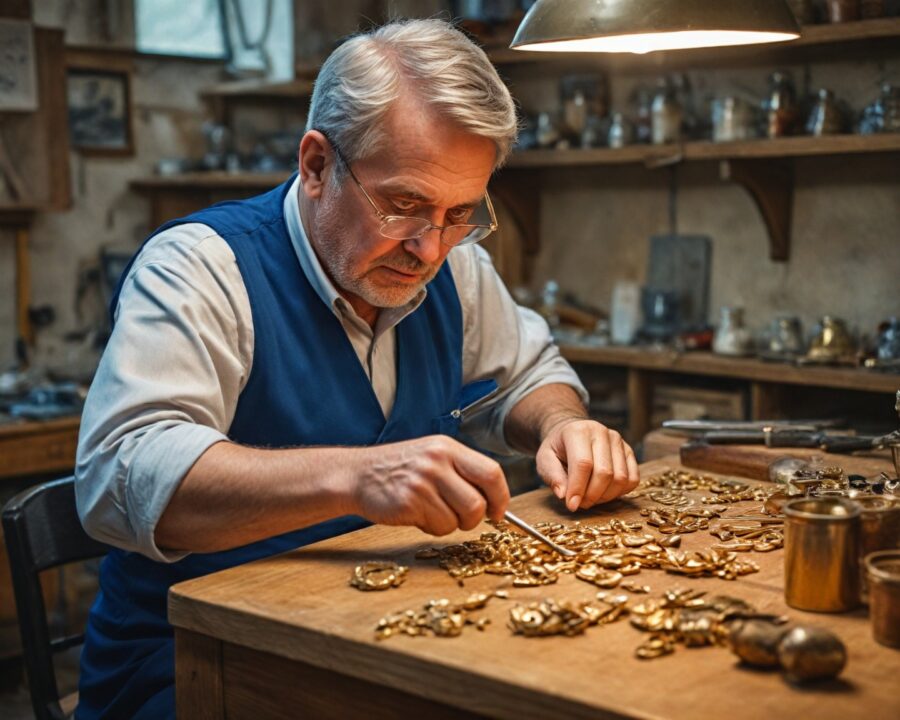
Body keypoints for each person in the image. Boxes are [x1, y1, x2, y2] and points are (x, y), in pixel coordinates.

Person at [73, 18, 639, 719]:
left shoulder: (454, 265)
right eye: (402, 206)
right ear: (315, 165)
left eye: (460, 212)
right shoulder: (201, 268)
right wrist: (356, 477)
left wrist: (563, 422)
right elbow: (120, 474)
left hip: (384, 637)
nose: (430, 248)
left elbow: (526, 374)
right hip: (198, 666)